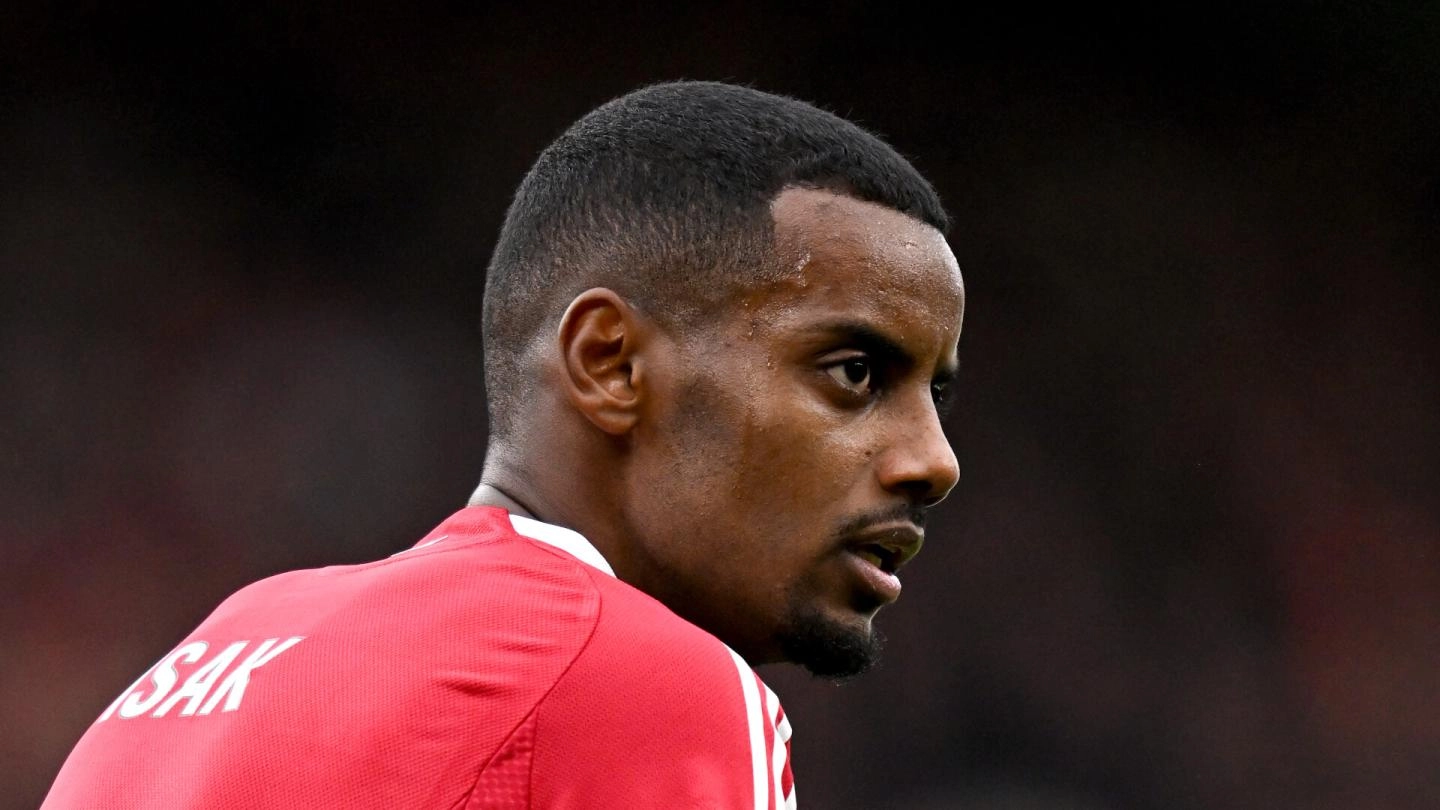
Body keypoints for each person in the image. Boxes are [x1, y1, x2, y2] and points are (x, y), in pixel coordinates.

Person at [43, 80, 965, 809]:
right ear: (611, 364)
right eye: (855, 372)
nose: (934, 461)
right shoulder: (645, 684)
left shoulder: (212, 658)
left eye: (936, 394)